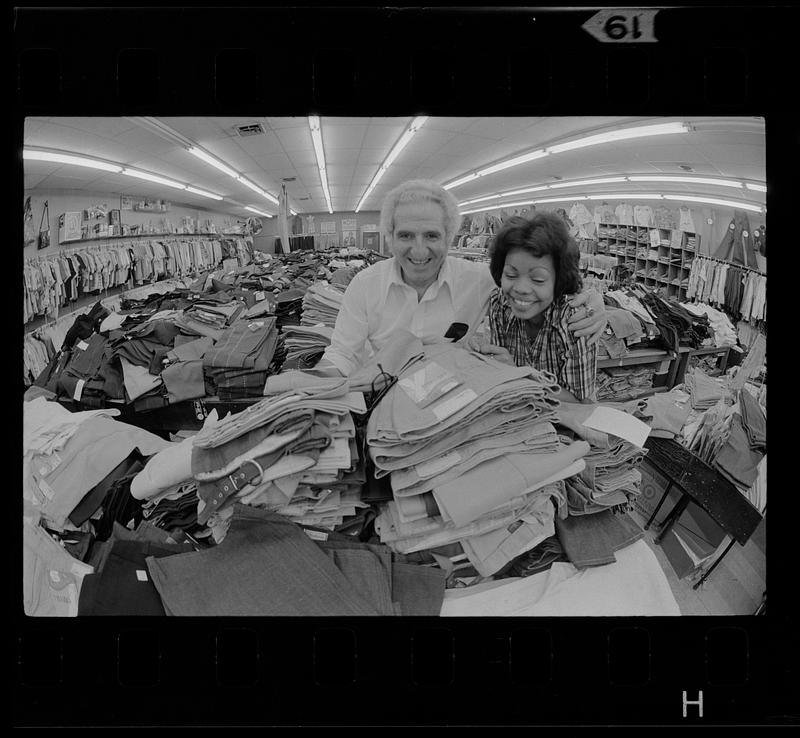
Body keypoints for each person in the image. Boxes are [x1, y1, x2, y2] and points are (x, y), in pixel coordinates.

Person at [317, 180, 606, 377]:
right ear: (389, 237)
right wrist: (313, 390)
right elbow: (342, 353)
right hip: (382, 398)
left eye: (431, 235)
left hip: (451, 406)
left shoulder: (479, 279)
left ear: (449, 237)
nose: (419, 250)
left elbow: (538, 286)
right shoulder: (365, 286)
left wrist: (594, 299)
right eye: (406, 235)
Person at [468, 212, 597, 403]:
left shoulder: (574, 320)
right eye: (511, 275)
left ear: (558, 281)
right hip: (518, 410)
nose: (520, 289)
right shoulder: (500, 303)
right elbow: (503, 368)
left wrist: (519, 375)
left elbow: (579, 402)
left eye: (538, 279)